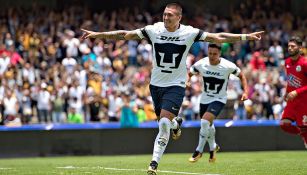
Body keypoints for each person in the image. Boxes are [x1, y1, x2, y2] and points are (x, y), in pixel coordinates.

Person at [81, 3, 263, 174]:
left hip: (175, 85)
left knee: (163, 123)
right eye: (164, 14)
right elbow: (125, 34)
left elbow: (218, 37)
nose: (166, 17)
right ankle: (177, 124)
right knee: (166, 121)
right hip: (156, 85)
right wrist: (98, 34)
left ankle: (154, 163)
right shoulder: (153, 30)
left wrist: (246, 37)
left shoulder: (190, 33)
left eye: (170, 15)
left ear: (179, 17)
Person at [188, 43, 248, 163]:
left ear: (220, 53)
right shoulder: (201, 63)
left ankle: (198, 151)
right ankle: (213, 147)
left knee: (205, 122)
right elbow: (189, 73)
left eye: (215, 54)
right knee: (208, 125)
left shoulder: (227, 65)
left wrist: (245, 92)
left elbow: (242, 76)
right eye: (210, 53)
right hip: (204, 99)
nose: (212, 56)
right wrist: (187, 81)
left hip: (219, 99)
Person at [279, 36, 307, 149]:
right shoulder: (287, 62)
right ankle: (303, 134)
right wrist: (287, 92)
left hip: (304, 101)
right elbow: (290, 80)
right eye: (289, 46)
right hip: (292, 101)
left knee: (303, 127)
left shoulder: (305, 63)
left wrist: (296, 92)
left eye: (293, 46)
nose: (290, 48)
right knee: (284, 125)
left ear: (300, 48)